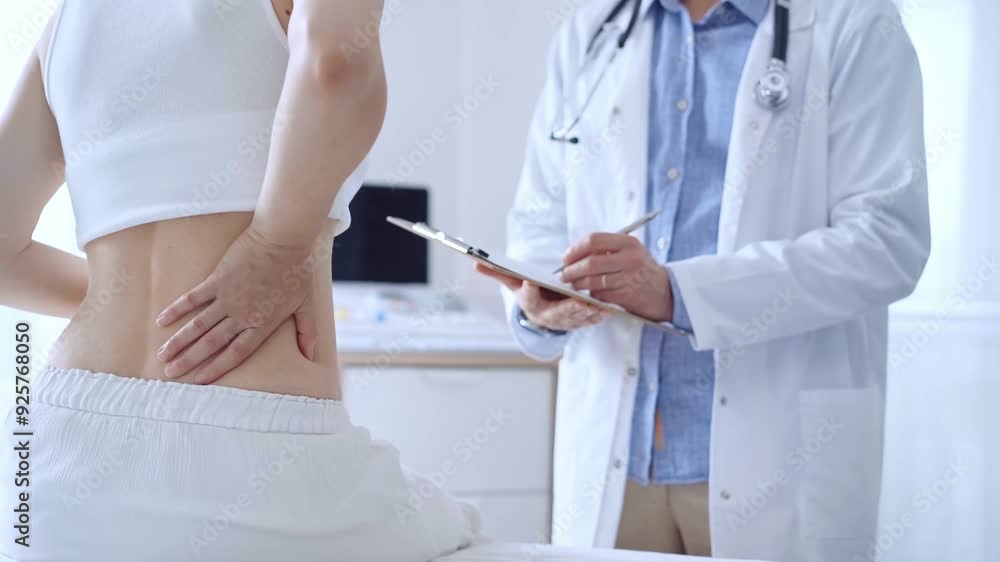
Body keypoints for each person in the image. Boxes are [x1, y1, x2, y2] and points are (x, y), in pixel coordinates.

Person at [0, 1, 480, 560]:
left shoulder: (72, 18)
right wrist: (276, 245)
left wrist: (128, 297)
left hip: (52, 455)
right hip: (265, 463)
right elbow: (335, 66)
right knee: (464, 525)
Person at [477, 0, 931, 560]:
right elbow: (540, 219)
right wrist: (542, 301)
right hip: (618, 464)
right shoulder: (592, 32)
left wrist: (677, 293)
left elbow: (887, 240)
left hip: (775, 457)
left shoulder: (853, 22)